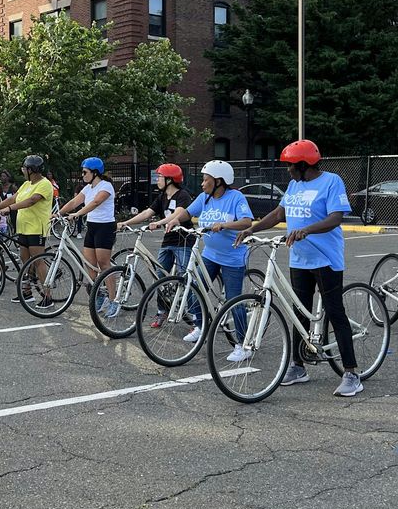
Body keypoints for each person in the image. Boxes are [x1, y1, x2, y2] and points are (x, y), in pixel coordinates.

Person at [237, 140, 363, 396]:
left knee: (334, 312)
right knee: (299, 313)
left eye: (291, 166)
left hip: (326, 259)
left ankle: (351, 373)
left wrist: (307, 230)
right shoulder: (295, 185)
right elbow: (278, 214)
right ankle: (298, 366)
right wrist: (252, 228)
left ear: (305, 165)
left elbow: (335, 218)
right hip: (300, 259)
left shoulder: (331, 181)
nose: (288, 171)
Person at [154, 160, 253, 360]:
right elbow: (188, 212)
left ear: (218, 181)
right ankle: (201, 326)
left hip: (232, 257)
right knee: (194, 289)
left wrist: (225, 225)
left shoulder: (235, 198)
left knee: (234, 301)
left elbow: (246, 221)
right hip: (210, 255)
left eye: (206, 179)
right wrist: (174, 219)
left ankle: (242, 345)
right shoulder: (204, 197)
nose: (202, 183)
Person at [119, 163, 192, 328]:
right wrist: (126, 222)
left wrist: (158, 223)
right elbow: (147, 213)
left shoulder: (183, 195)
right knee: (160, 277)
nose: (157, 179)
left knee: (184, 278)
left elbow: (178, 214)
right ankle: (162, 311)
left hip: (183, 242)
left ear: (169, 180)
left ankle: (193, 316)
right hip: (168, 242)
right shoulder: (162, 197)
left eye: (160, 177)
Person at [0, 154, 54, 305]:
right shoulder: (26, 184)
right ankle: (26, 292)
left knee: (38, 262)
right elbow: (12, 199)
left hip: (37, 228)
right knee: (25, 261)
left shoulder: (44, 184)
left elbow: (31, 201)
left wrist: (9, 209)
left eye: (24, 168)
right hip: (23, 227)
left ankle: (47, 296)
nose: (23, 170)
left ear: (32, 169)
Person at [59, 157, 118, 317]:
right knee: (91, 265)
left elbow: (96, 203)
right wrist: (58, 213)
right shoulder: (87, 188)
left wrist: (77, 214)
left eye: (85, 172)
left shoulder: (106, 186)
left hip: (105, 227)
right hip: (92, 227)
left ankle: (114, 300)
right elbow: (73, 202)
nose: (82, 175)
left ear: (95, 172)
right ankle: (99, 295)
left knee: (104, 264)